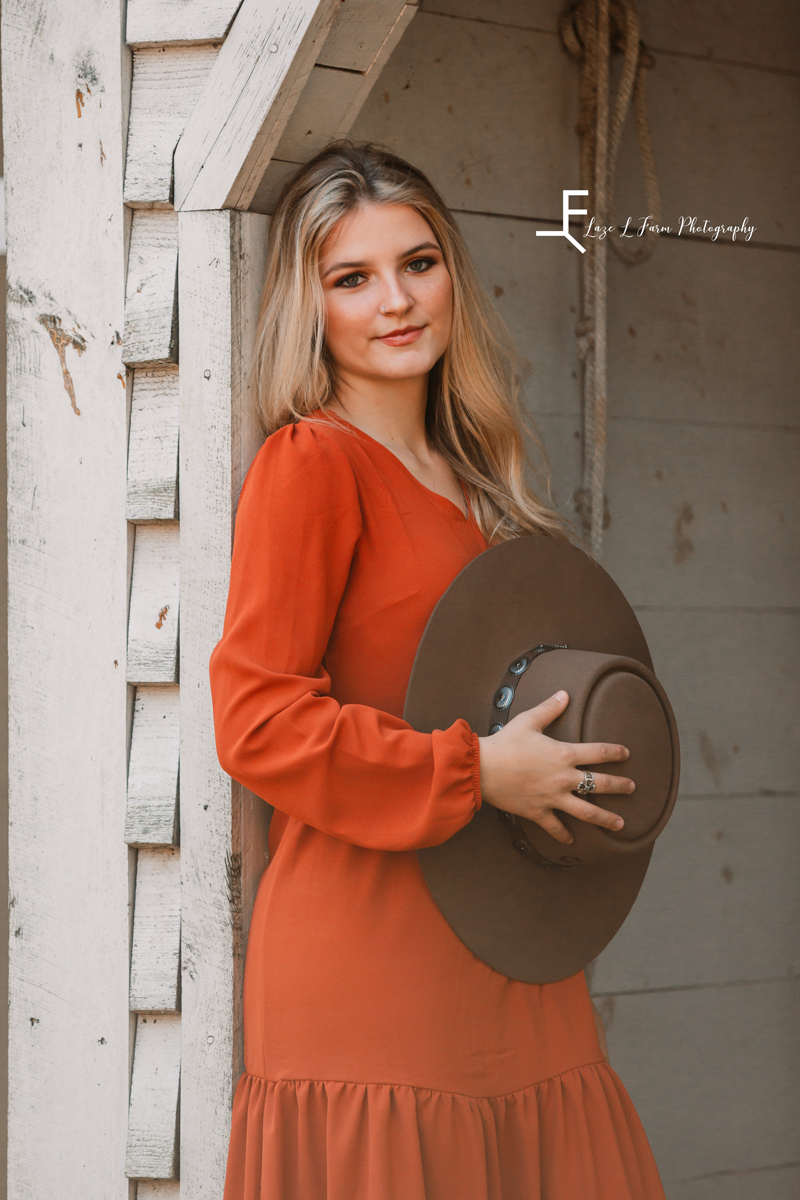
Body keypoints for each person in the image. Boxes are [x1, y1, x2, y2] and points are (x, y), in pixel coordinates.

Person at [210, 141, 665, 1200]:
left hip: (508, 936)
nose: (395, 301)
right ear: (308, 306)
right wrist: (475, 774)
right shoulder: (310, 464)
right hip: (370, 948)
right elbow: (258, 721)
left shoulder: (475, 485)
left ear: (452, 270)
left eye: (417, 263)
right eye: (351, 277)